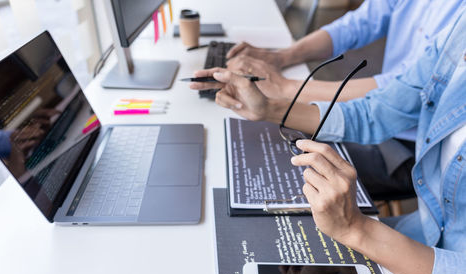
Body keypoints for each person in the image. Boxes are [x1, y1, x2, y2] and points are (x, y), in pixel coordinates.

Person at [191, 8, 466, 274]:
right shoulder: (460, 28)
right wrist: (269, 108)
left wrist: (356, 230)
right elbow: (380, 108)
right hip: (419, 233)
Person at [191, 0, 466, 201]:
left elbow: (398, 93)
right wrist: (281, 61)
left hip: (408, 146)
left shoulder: (459, 22)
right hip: (379, 114)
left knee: (271, 169)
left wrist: (285, 88)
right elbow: (360, 23)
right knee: (257, 146)